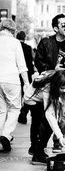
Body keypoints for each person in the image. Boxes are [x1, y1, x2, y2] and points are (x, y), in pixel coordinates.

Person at [34, 14, 65, 153]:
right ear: (55, 28)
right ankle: (39, 147)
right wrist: (52, 69)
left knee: (63, 116)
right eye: (63, 25)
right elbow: (38, 61)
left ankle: (58, 141)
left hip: (64, 86)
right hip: (48, 85)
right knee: (48, 114)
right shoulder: (45, 43)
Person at [24, 70, 65, 165]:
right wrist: (60, 136)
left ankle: (36, 149)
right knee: (44, 124)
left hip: (37, 97)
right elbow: (50, 115)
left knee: (41, 125)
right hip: (31, 100)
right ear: (56, 85)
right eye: (62, 88)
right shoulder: (47, 89)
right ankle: (37, 154)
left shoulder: (54, 78)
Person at [0, 19, 30, 152]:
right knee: (14, 109)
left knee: (1, 110)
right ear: (12, 30)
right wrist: (26, 83)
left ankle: (1, 137)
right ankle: (5, 135)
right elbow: (21, 65)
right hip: (12, 80)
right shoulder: (15, 42)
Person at [16, 31, 35, 124]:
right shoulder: (28, 48)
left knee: (16, 94)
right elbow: (32, 60)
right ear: (24, 38)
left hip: (16, 74)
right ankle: (24, 111)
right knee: (27, 94)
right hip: (27, 73)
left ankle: (19, 112)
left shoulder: (15, 46)